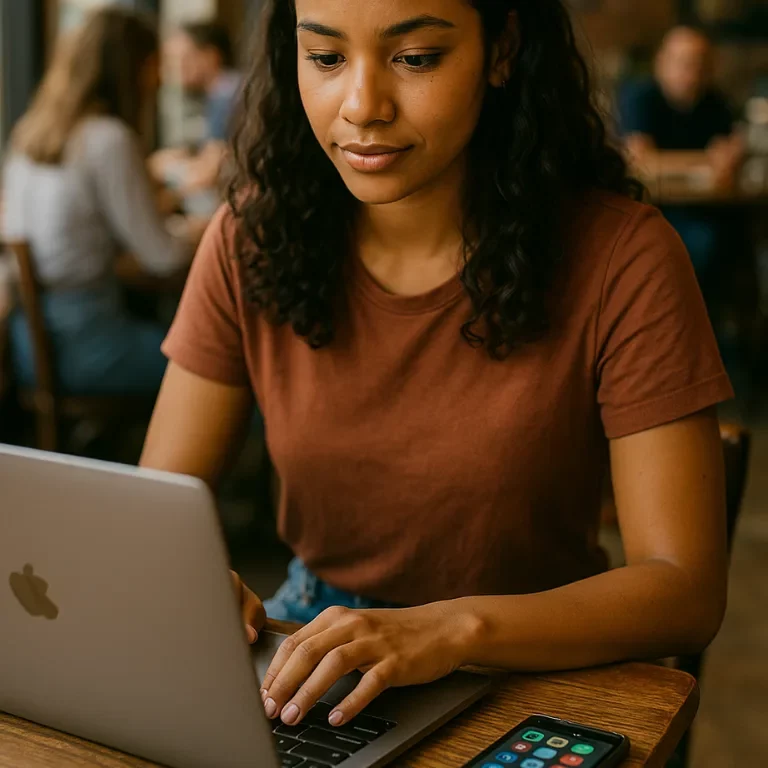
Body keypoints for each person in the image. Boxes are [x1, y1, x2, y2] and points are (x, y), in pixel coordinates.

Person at [141, 0, 733, 733]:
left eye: (414, 58)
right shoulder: (250, 239)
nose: (361, 105)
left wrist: (452, 631)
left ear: (502, 47)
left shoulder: (623, 258)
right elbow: (151, 516)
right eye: (325, 58)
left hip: (534, 653)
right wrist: (191, 583)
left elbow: (685, 592)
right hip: (316, 644)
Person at [3, 8, 204, 395]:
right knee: (221, 368)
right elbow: (161, 256)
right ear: (133, 68)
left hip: (29, 345)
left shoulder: (29, 133)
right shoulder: (108, 138)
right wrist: (204, 234)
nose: (160, 79)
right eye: (154, 66)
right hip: (89, 346)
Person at [620, 26, 745, 303]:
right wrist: (706, 161)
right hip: (652, 210)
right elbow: (643, 160)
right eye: (683, 62)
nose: (692, 72)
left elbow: (730, 148)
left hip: (706, 209)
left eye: (700, 63)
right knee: (701, 244)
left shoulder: (715, 102)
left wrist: (733, 153)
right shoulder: (641, 97)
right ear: (661, 62)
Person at [150, 23, 242, 196]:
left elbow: (207, 174)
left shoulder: (225, 94)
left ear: (211, 56)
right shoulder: (224, 90)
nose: (175, 69)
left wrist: (164, 168)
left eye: (183, 59)